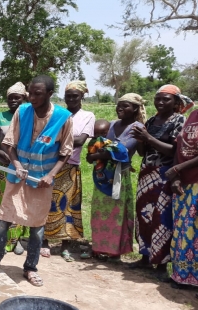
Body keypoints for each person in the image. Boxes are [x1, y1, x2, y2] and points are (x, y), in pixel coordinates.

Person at [0, 75, 74, 287]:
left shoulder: (63, 118)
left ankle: (30, 267)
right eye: (30, 93)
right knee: (3, 219)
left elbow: (65, 153)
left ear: (50, 94)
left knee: (37, 227)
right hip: (17, 176)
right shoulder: (22, 112)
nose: (32, 98)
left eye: (38, 94)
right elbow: (9, 144)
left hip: (42, 181)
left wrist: (51, 174)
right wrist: (16, 164)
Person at [132, 85, 192, 278]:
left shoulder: (179, 120)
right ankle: (145, 257)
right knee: (143, 216)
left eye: (165, 99)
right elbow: (143, 152)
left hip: (165, 174)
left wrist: (148, 137)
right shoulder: (151, 120)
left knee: (162, 218)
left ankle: (161, 263)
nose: (160, 102)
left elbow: (174, 151)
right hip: (146, 173)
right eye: (158, 98)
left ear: (176, 103)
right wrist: (141, 139)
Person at [87, 93, 146, 261]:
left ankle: (115, 252)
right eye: (119, 105)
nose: (120, 108)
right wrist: (94, 155)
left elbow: (128, 152)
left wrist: (96, 155)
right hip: (102, 175)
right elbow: (97, 146)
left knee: (117, 215)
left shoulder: (137, 128)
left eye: (126, 105)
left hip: (120, 176)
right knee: (100, 212)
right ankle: (99, 248)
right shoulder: (110, 125)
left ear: (135, 108)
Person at [44, 80, 95, 262]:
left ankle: (65, 245)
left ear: (82, 96)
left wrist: (57, 138)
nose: (71, 99)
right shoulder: (57, 114)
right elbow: (46, 136)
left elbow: (81, 141)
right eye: (68, 96)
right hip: (50, 164)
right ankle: (44, 242)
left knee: (67, 206)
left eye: (75, 96)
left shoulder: (87, 116)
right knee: (47, 203)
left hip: (71, 165)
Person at [0, 82, 30, 255]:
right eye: (10, 98)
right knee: (4, 200)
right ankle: (3, 238)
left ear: (23, 99)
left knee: (21, 202)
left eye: (17, 98)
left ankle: (17, 239)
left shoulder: (29, 116)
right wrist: (1, 153)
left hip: (24, 167)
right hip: (5, 166)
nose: (13, 101)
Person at [167, 108, 198, 289]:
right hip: (183, 183)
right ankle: (182, 275)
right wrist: (176, 176)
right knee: (183, 230)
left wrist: (178, 169)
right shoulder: (193, 115)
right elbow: (179, 146)